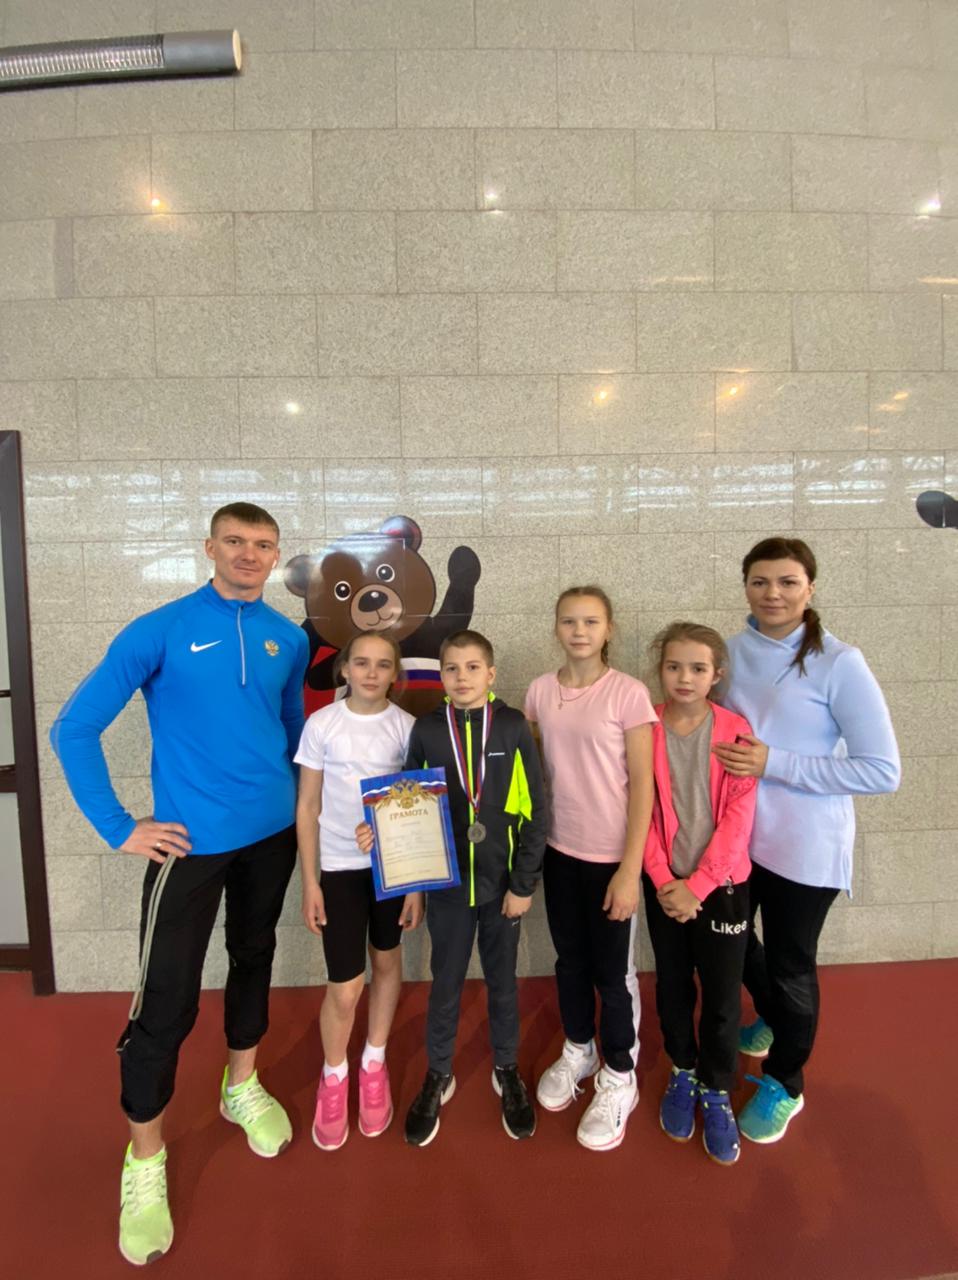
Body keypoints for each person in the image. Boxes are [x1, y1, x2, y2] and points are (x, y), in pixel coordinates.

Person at [50, 502, 308, 1267]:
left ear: (276, 555)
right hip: (188, 846)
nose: (249, 554)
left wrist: (308, 814)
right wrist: (119, 826)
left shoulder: (288, 637)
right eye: (236, 541)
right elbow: (72, 727)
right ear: (210, 547)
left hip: (272, 835)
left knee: (255, 958)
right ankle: (145, 1158)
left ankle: (240, 1085)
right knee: (166, 997)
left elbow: (293, 734)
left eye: (263, 545)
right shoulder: (159, 630)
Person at [714, 537, 900, 1144]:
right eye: (760, 581)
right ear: (745, 585)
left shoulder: (839, 662)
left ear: (810, 588)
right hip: (738, 838)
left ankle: (786, 1081)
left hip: (804, 847)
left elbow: (881, 770)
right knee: (734, 942)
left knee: (791, 964)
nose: (773, 593)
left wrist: (776, 763)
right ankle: (773, 1016)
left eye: (787, 582)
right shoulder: (730, 652)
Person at [381, 629, 547, 1146]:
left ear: (491, 674)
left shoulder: (513, 727)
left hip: (501, 888)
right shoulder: (428, 731)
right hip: (447, 889)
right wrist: (414, 887)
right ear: (441, 676)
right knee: (445, 984)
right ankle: (438, 1072)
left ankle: (507, 1068)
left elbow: (536, 810)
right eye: (451, 668)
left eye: (473, 667)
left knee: (502, 983)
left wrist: (523, 884)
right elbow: (409, 813)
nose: (462, 677)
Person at [524, 586, 655, 1152]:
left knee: (613, 974)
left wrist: (630, 870)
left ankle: (620, 1074)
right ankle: (579, 1047)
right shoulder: (539, 691)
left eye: (591, 622)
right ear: (556, 627)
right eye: (569, 621)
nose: (579, 631)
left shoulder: (628, 693)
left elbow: (644, 787)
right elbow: (535, 772)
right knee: (570, 961)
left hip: (611, 860)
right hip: (560, 851)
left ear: (609, 629)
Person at [294, 632, 423, 1151]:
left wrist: (415, 886)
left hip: (392, 871)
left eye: (383, 664)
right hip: (339, 870)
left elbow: (417, 810)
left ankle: (373, 1061)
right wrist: (310, 881)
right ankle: (334, 1074)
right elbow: (308, 806)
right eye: (362, 663)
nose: (372, 673)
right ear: (344, 669)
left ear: (395, 674)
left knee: (387, 961)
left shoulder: (406, 728)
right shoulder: (322, 725)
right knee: (345, 988)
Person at [642, 622, 757, 1166]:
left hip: (723, 886)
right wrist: (663, 879)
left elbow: (739, 816)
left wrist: (701, 885)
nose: (684, 678)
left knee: (722, 994)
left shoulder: (735, 731)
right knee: (671, 984)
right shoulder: (646, 727)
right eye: (673, 666)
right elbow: (638, 810)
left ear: (717, 674)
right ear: (660, 670)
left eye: (697, 668)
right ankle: (683, 1069)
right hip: (665, 886)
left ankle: (716, 1086)